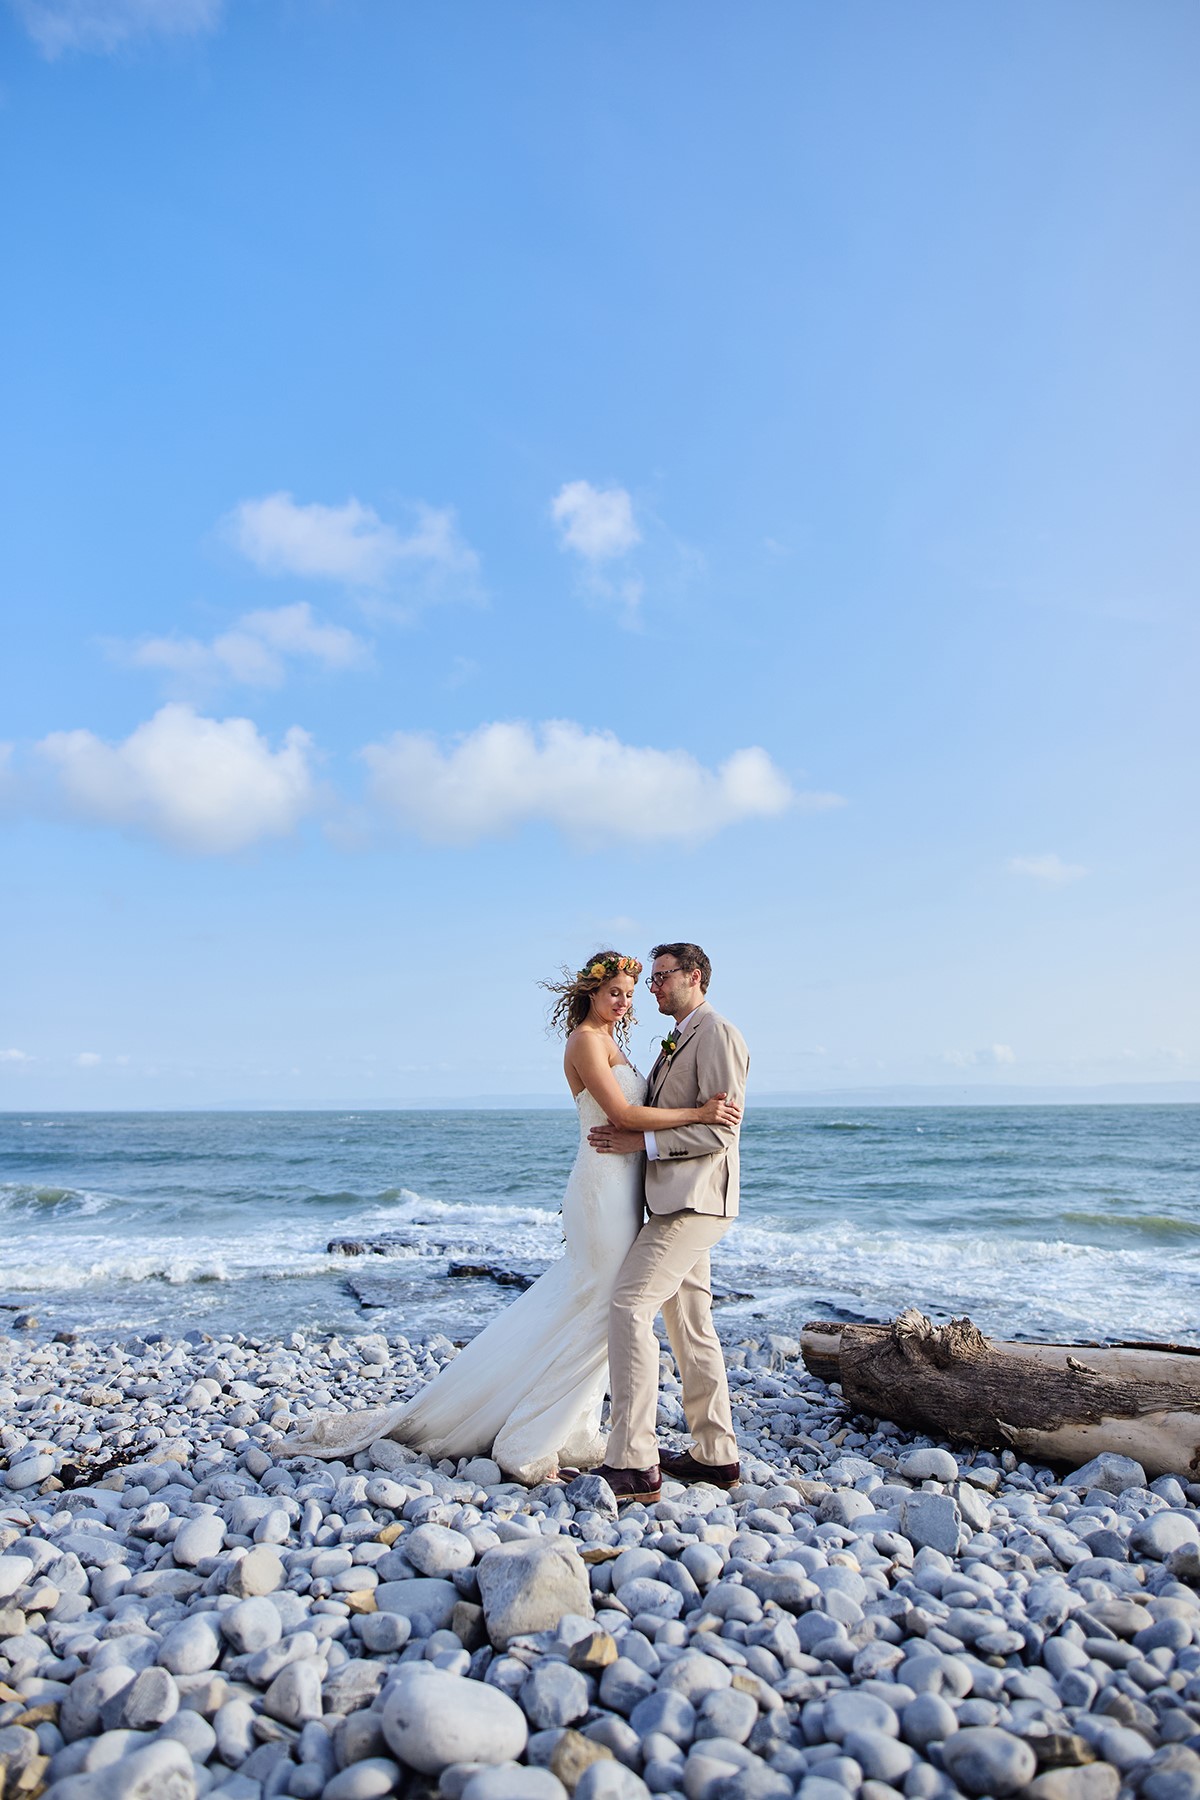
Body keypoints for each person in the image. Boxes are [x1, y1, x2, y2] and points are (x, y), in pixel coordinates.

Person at [284, 950, 740, 1484]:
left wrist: (672, 1129)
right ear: (590, 991)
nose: (625, 1001)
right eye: (616, 991)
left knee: (605, 1308)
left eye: (635, 992)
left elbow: (690, 1124)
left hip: (642, 1195)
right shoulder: (585, 1041)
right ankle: (537, 1438)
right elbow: (622, 1115)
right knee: (606, 1306)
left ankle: (585, 1433)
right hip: (603, 1191)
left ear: (694, 979)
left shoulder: (670, 1036)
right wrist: (696, 1113)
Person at [588, 942, 748, 1502]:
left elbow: (720, 1131)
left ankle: (633, 1462)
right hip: (674, 1201)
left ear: (695, 976)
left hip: (695, 1201)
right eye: (651, 980)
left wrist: (642, 1141)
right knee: (690, 1325)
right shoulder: (679, 1036)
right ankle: (715, 1455)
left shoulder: (719, 1033)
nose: (651, 988)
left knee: (630, 1305)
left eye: (660, 977)